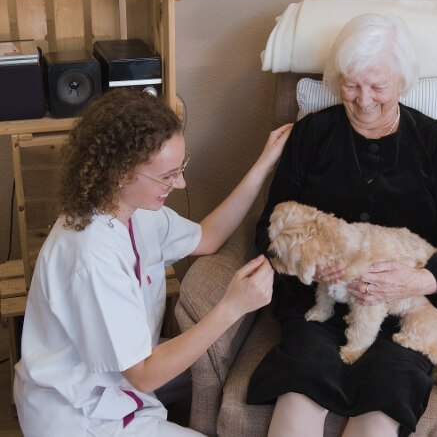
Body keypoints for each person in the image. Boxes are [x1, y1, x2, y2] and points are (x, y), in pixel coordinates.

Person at [246, 13, 437, 437]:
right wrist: (314, 269)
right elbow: (267, 231)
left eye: (378, 86)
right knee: (302, 381)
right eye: (351, 84)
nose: (363, 100)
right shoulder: (312, 135)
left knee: (385, 392)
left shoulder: (432, 142)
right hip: (318, 304)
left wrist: (417, 281)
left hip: (403, 313)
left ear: (403, 82)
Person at [13, 88, 292, 436]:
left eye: (180, 168)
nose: (180, 183)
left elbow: (208, 236)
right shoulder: (91, 256)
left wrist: (265, 163)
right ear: (118, 172)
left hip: (119, 384)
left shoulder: (134, 212)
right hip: (79, 414)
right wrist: (231, 307)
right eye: (166, 176)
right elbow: (144, 374)